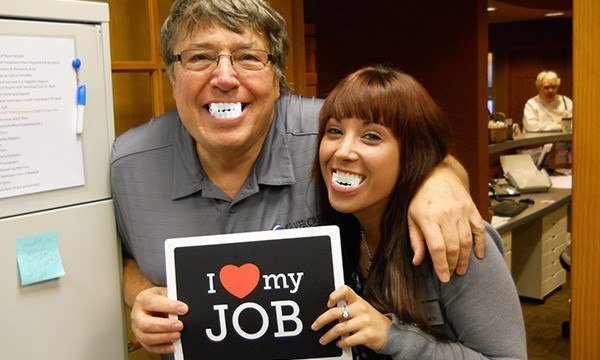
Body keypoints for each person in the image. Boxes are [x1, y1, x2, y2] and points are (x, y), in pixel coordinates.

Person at [110, 0, 486, 356]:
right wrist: (139, 295)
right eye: (199, 57)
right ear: (173, 76)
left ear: (277, 79)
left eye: (248, 57)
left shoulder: (329, 136)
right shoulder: (129, 165)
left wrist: (440, 180)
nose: (224, 77)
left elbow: (412, 155)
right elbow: (123, 255)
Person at [311, 66, 526, 359]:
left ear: (412, 154)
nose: (343, 151)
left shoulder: (455, 238)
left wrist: (392, 337)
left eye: (371, 136)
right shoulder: (340, 232)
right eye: (334, 131)